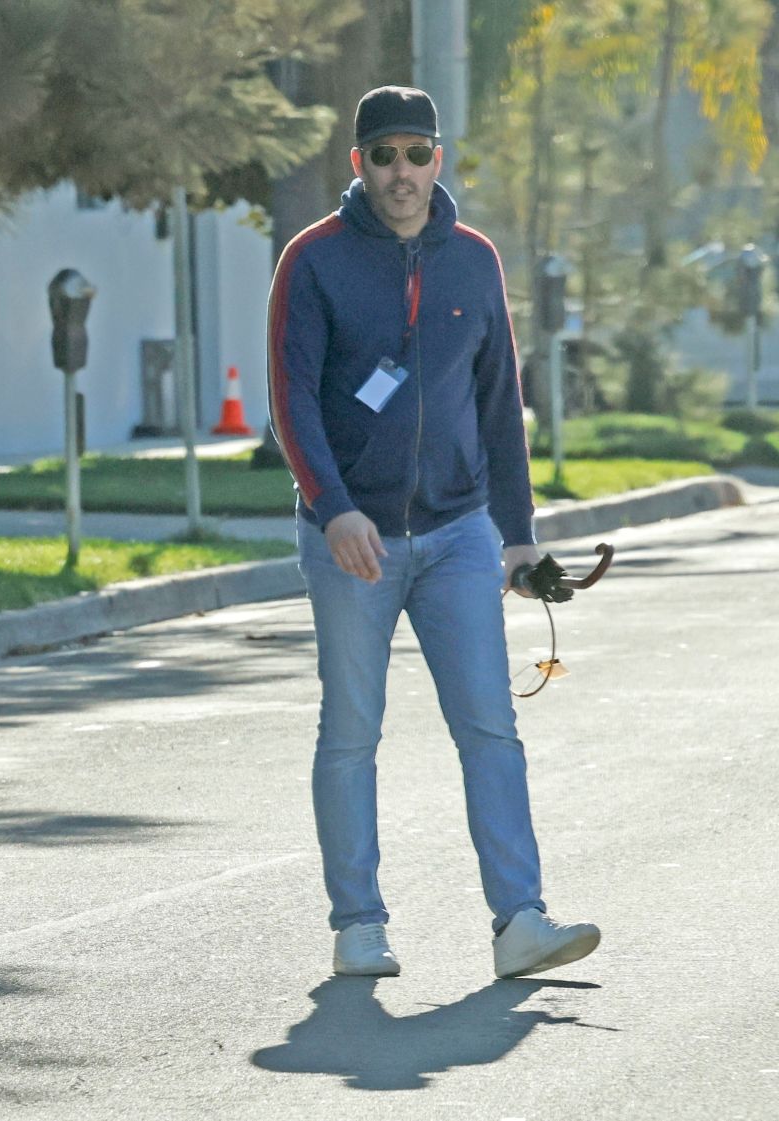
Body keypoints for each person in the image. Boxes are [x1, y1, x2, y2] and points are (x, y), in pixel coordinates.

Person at [267, 86, 599, 979]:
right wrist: (331, 505)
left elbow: (499, 402)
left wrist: (518, 536)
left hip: (457, 534)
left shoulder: (475, 260)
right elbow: (290, 395)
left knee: (490, 726)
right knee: (351, 731)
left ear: (438, 159)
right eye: (384, 156)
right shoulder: (314, 259)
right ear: (359, 165)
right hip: (352, 542)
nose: (401, 173)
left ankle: (521, 920)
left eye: (417, 153)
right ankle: (358, 923)